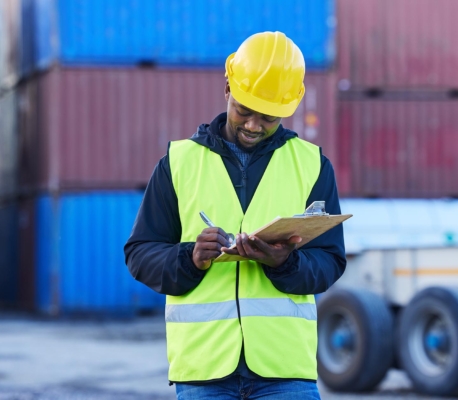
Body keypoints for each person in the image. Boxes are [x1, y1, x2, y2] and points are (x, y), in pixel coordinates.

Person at [124, 31, 346, 400]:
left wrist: (284, 262)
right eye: (244, 110)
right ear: (227, 87)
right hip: (204, 371)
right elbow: (140, 253)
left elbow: (330, 262)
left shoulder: (312, 165)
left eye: (269, 116)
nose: (254, 125)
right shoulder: (178, 164)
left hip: (285, 371)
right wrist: (190, 258)